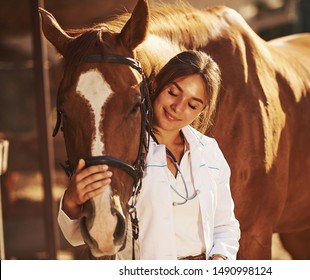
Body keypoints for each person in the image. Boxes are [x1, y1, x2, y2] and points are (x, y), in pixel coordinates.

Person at [57, 50, 240, 260]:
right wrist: (71, 202)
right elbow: (90, 232)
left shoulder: (209, 151)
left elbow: (225, 225)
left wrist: (220, 259)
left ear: (201, 111)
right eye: (173, 92)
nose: (178, 108)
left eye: (192, 104)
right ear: (157, 84)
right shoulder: (121, 150)